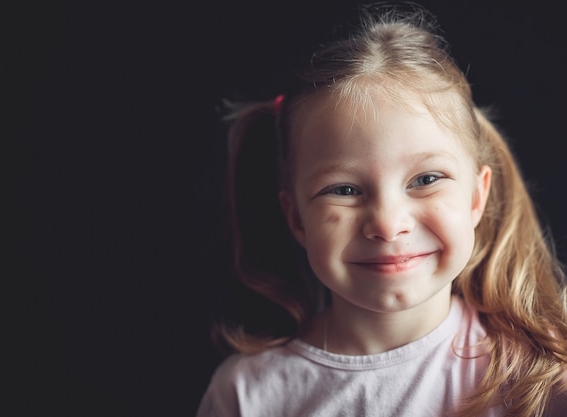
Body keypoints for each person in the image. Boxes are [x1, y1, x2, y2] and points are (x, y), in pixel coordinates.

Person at [196, 2, 567, 416]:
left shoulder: (539, 377)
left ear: (476, 198)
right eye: (344, 189)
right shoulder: (247, 395)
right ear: (297, 218)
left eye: (426, 180)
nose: (388, 226)